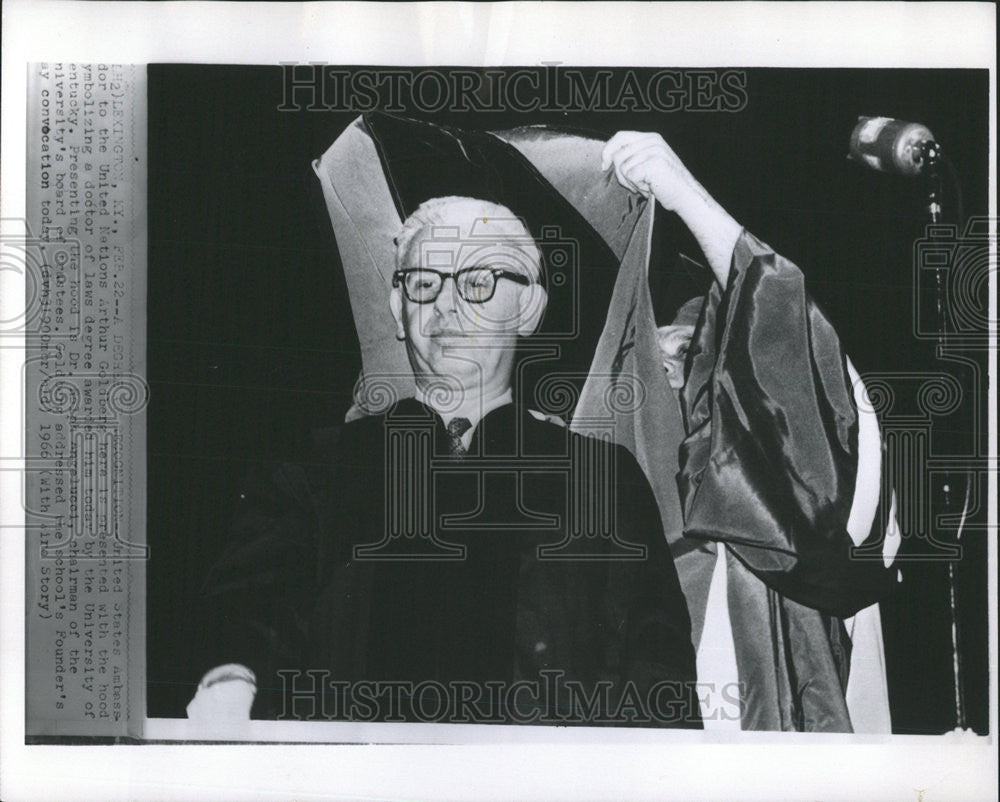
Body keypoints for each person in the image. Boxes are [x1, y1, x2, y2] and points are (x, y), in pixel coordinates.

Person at [187, 195, 702, 728]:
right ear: (398, 310)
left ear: (529, 309)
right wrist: (230, 679)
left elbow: (656, 665)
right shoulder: (315, 469)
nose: (446, 305)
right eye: (425, 283)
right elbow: (249, 607)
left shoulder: (600, 479)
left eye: (478, 281)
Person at [601, 132, 899, 732]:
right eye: (647, 360)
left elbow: (789, 354)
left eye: (686, 351)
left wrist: (685, 197)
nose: (665, 374)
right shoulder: (605, 493)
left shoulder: (784, 504)